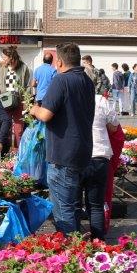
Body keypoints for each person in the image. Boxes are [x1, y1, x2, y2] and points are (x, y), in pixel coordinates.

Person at [30, 43, 96, 235]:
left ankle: (70, 252)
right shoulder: (86, 80)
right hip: (82, 150)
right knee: (73, 206)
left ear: (58, 61)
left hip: (63, 153)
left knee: (62, 208)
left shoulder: (61, 81)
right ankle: (77, 248)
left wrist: (34, 109)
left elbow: (45, 115)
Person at [80, 88, 122, 240]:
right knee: (96, 205)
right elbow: (114, 127)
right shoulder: (101, 101)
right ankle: (98, 242)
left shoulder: (71, 98)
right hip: (99, 155)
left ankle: (75, 244)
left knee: (73, 205)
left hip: (77, 157)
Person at [0, 46, 32, 147]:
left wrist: (26, 102)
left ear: (11, 57)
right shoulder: (2, 68)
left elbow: (27, 86)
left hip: (18, 101)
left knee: (19, 129)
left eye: (4, 57)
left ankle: (19, 150)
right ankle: (6, 150)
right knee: (5, 126)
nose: (3, 59)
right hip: (5, 100)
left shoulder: (23, 68)